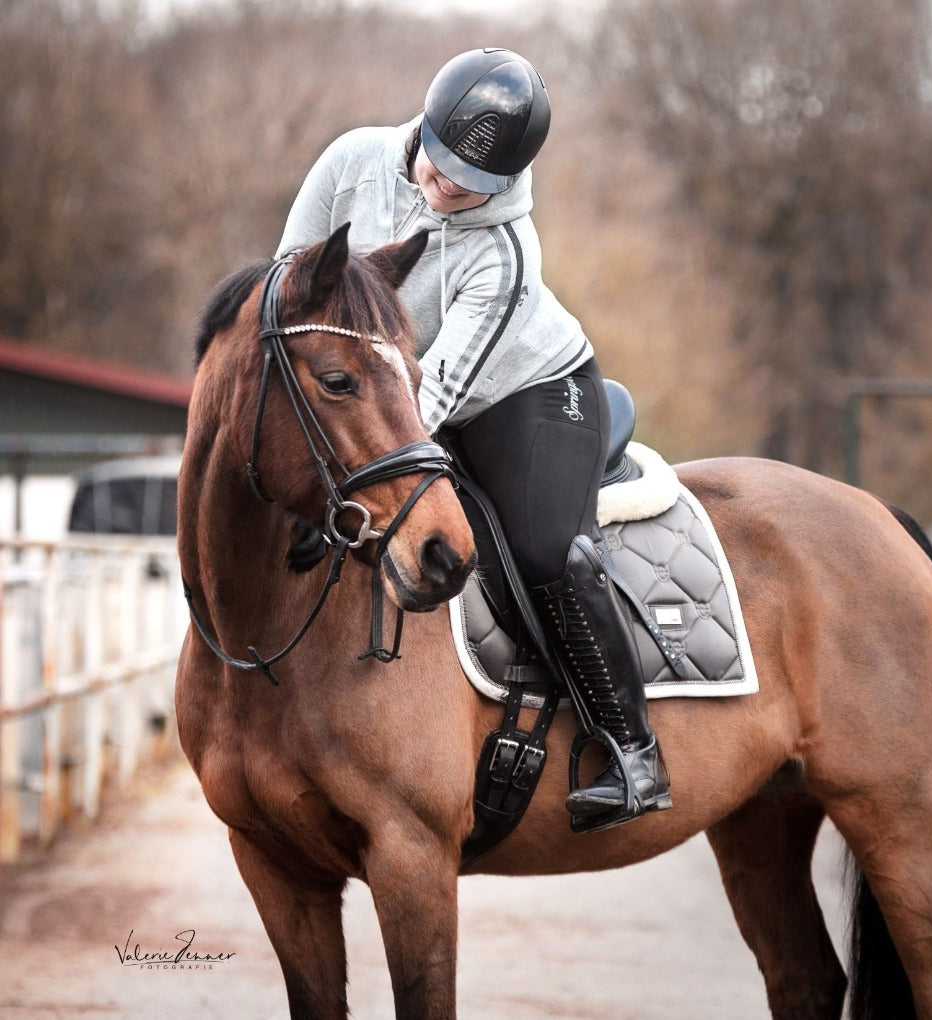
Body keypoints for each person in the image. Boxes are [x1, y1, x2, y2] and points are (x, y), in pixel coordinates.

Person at [276, 47, 670, 830]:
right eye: (444, 162)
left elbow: (438, 395)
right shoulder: (350, 162)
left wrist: (359, 472)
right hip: (388, 386)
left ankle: (633, 751)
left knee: (546, 550)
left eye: (475, 182)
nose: (449, 187)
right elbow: (289, 288)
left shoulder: (506, 252)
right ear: (424, 126)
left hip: (525, 395)